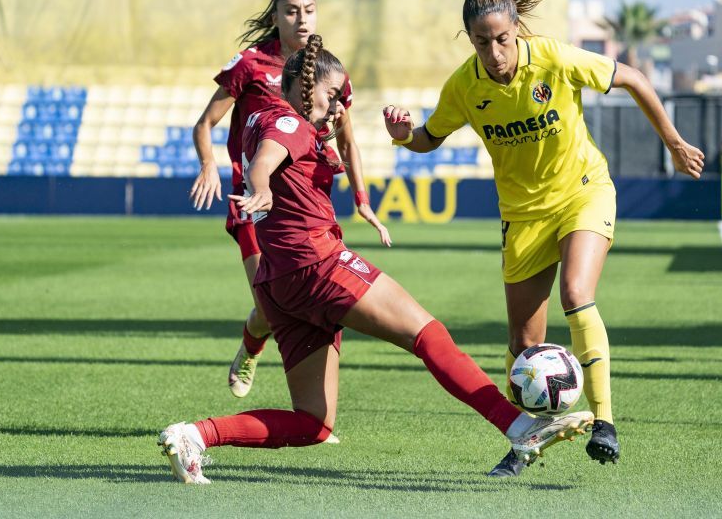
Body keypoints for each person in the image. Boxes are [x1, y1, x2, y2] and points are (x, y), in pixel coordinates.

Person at [158, 34, 595, 484]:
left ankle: (195, 435)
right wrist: (263, 186)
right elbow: (264, 163)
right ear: (305, 87)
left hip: (278, 283)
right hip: (317, 265)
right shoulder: (288, 123)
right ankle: (520, 427)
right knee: (428, 335)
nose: (337, 107)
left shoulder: (262, 116)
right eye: (332, 95)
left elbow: (277, 151)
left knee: (313, 423)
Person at [382, 0, 705, 477]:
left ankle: (604, 422)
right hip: (523, 216)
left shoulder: (552, 58)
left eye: (502, 39)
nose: (494, 52)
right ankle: (524, 441)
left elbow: (632, 77)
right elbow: (429, 138)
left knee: (577, 293)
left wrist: (672, 141)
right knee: (523, 344)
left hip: (583, 191)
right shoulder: (464, 86)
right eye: (482, 42)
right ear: (469, 39)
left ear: (517, 31)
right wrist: (402, 135)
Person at [188, 0, 390, 399]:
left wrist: (362, 200)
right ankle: (253, 349)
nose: (302, 19)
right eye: (292, 11)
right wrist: (208, 164)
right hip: (255, 201)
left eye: (309, 10)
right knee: (270, 303)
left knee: (299, 302)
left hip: (305, 203)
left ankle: (310, 403)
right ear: (276, 17)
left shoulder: (328, 71)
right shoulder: (250, 64)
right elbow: (205, 123)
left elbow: (347, 141)